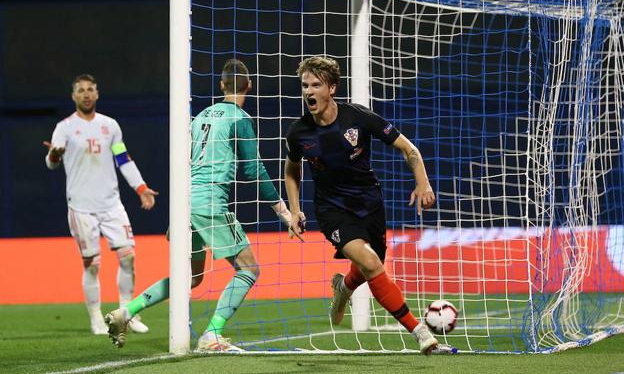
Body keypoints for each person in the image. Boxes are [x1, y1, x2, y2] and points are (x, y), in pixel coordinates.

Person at [105, 59, 293, 352]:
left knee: (190, 277)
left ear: (221, 85)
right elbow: (254, 170)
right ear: (249, 85)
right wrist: (284, 213)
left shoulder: (200, 116)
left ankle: (126, 312)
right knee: (249, 270)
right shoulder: (239, 117)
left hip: (185, 201)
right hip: (210, 201)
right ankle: (212, 334)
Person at [284, 56, 439, 355]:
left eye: (316, 85)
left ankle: (344, 287)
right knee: (370, 263)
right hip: (332, 210)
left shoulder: (358, 118)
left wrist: (423, 182)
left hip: (369, 203)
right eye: (305, 85)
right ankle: (419, 331)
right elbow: (292, 170)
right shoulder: (298, 132)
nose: (308, 92)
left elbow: (409, 149)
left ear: (331, 88)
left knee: (370, 265)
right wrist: (294, 210)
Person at [44, 74, 158, 335]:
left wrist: (140, 188)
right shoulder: (65, 128)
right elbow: (51, 163)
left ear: (97, 94)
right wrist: (53, 155)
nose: (85, 94)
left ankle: (126, 314)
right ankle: (96, 318)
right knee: (92, 264)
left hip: (111, 204)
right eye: (80, 90)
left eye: (90, 89)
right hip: (81, 207)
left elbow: (123, 159)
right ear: (73, 96)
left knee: (128, 257)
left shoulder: (110, 125)